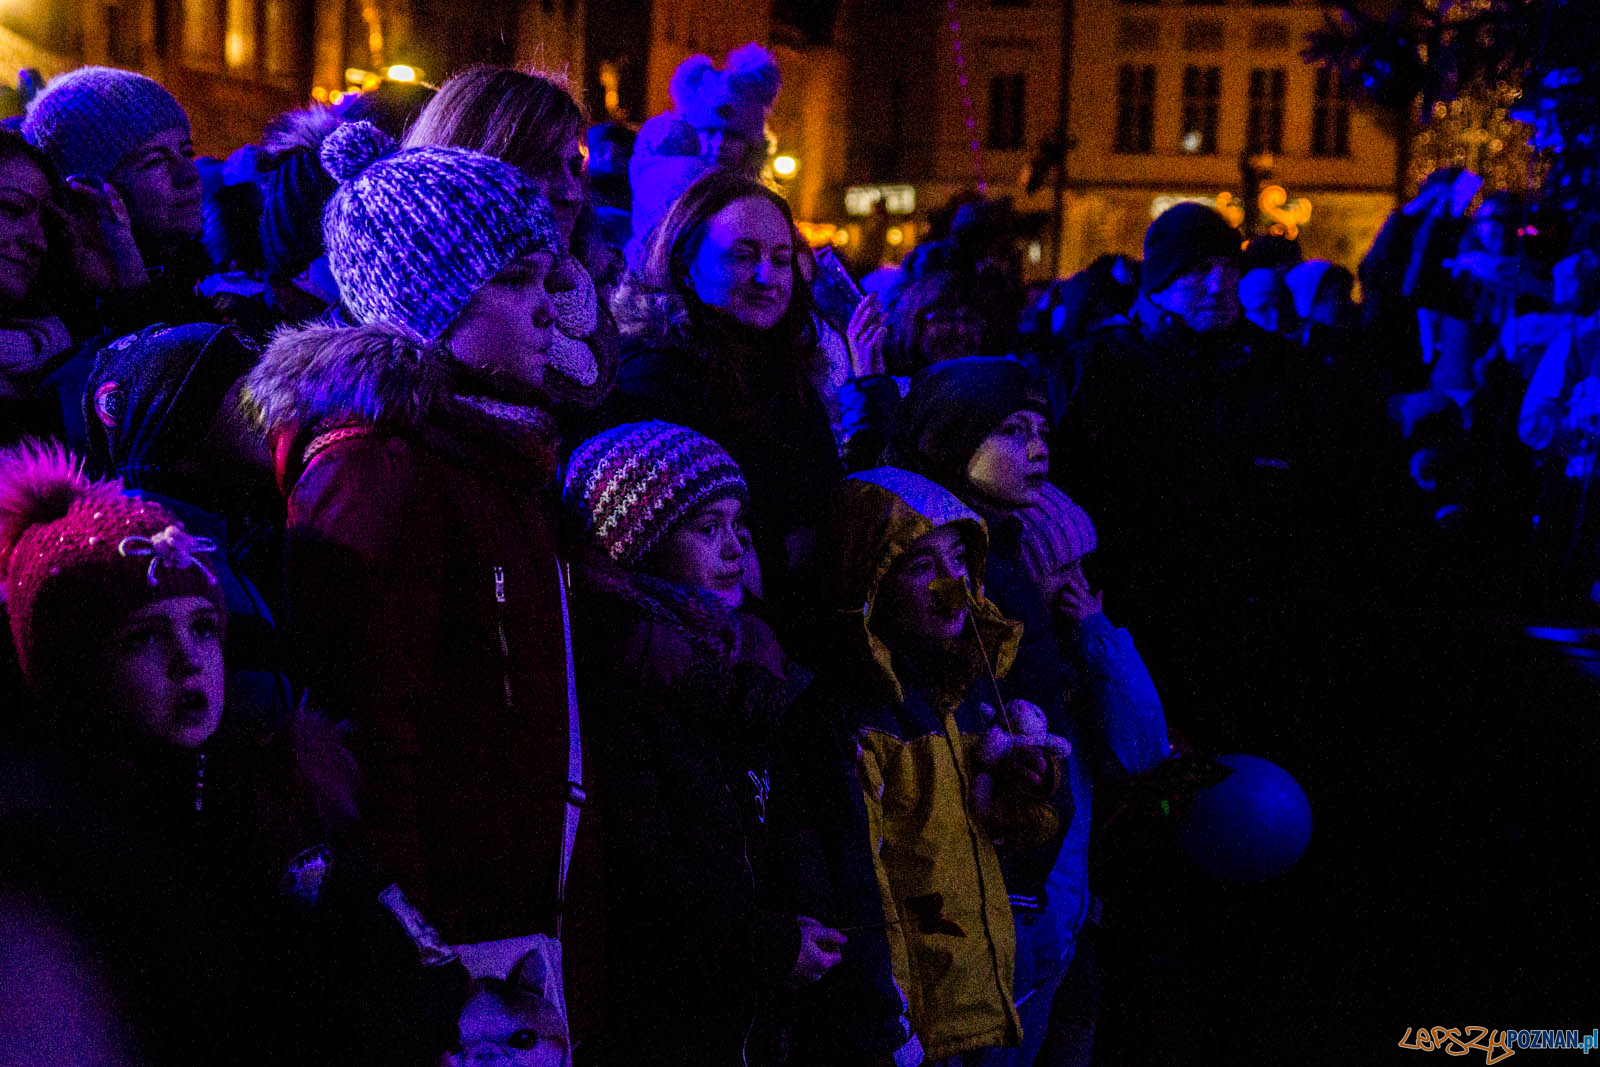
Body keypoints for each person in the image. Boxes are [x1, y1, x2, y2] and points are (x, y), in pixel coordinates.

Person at [244, 120, 591, 1059]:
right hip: (446, 939)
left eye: (544, 277)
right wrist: (420, 948)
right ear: (428, 301)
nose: (546, 310)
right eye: (512, 281)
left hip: (510, 917)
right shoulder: (381, 469)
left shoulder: (493, 452)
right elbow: (366, 724)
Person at [882, 357, 1168, 1067]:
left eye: (1042, 429)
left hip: (1043, 895)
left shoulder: (1020, 571)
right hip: (993, 893)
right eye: (1011, 429)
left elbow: (1136, 745)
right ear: (952, 436)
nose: (1037, 446)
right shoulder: (951, 572)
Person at [563, 421, 845, 1064]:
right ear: (634, 542)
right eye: (705, 527)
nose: (733, 553)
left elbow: (783, 818)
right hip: (667, 1010)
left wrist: (801, 918)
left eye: (737, 527)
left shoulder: (748, 661)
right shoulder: (616, 674)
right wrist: (766, 943)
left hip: (752, 993)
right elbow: (648, 865)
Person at [770, 466, 1067, 1064]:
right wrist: (885, 1026)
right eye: (921, 566)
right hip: (902, 1029)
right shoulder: (843, 717)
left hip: (973, 1006)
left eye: (958, 558)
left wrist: (1029, 792)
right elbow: (857, 885)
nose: (953, 585)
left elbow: (1004, 849)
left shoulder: (965, 694)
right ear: (870, 582)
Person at [608, 169, 842, 613]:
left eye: (780, 258)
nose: (765, 276)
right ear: (685, 264)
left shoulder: (787, 372)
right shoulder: (651, 381)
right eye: (742, 255)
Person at [404, 65, 619, 419]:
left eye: (573, 167)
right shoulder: (419, 368)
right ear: (469, 169)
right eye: (541, 167)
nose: (571, 193)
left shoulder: (592, 303)